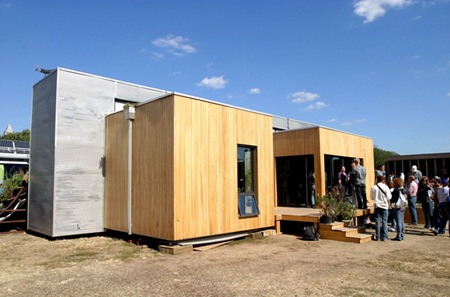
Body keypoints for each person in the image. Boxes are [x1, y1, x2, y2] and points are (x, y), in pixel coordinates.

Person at [370, 175, 392, 241]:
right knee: (385, 221)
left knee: (377, 221)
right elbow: (389, 197)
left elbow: (371, 197)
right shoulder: (386, 187)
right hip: (384, 205)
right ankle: (384, 236)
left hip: (377, 205)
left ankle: (378, 236)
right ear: (383, 180)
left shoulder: (373, 187)